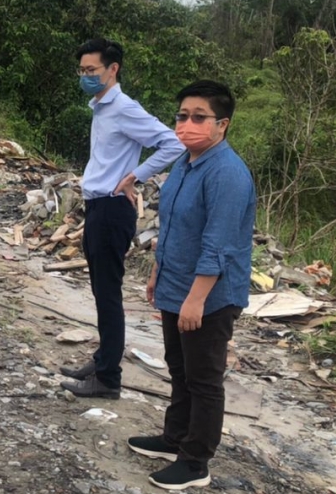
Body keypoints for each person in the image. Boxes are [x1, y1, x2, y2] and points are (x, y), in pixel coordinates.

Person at [127, 80, 255, 491]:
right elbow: (173, 227)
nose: (187, 124)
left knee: (203, 378)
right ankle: (174, 438)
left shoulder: (228, 174)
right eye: (182, 116)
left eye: (199, 117)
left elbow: (218, 245)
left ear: (223, 125)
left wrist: (196, 299)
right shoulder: (184, 162)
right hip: (174, 283)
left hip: (208, 297)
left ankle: (196, 460)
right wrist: (156, 273)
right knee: (179, 368)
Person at [61, 39, 185, 399]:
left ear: (113, 69)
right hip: (98, 206)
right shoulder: (100, 107)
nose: (85, 77)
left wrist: (136, 175)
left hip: (113, 207)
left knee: (109, 294)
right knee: (101, 291)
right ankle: (102, 360)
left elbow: (172, 143)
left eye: (92, 71)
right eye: (82, 71)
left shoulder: (125, 108)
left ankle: (108, 378)